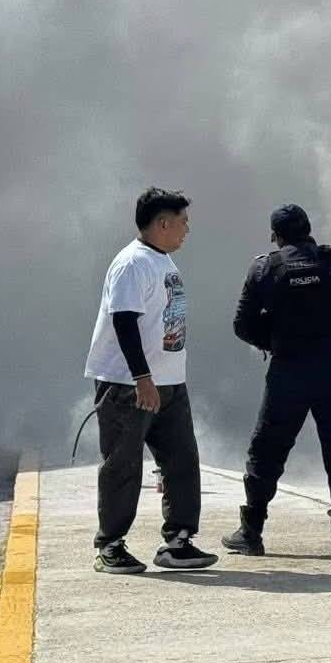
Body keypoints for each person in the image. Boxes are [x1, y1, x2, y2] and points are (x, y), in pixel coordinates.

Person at [223, 204, 331, 561]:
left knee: (268, 447)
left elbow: (241, 325)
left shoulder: (265, 267)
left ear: (276, 236)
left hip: (289, 371)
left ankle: (251, 532)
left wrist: (275, 341)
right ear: (310, 230)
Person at [82, 187, 217, 573]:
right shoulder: (132, 264)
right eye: (183, 222)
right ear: (162, 223)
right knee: (123, 464)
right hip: (130, 385)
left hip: (169, 382)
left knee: (182, 460)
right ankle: (110, 545)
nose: (187, 229)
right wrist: (142, 377)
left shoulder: (164, 262)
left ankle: (177, 541)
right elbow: (123, 322)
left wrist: (165, 377)